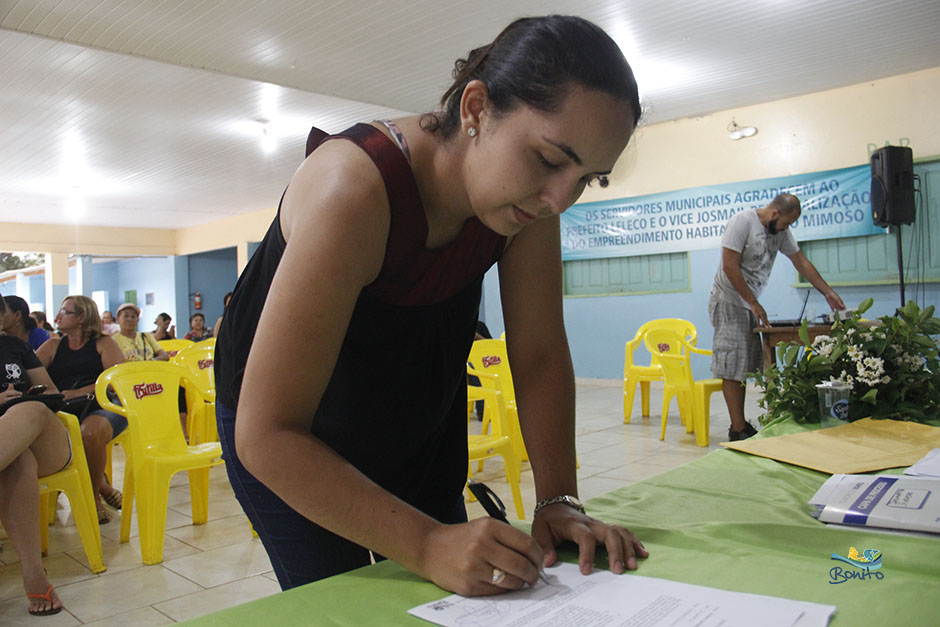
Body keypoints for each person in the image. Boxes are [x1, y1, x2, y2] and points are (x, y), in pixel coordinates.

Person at [216, 15, 647, 596]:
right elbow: (267, 432)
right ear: (475, 109)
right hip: (291, 432)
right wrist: (421, 542)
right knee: (350, 600)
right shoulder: (354, 189)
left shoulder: (529, 206)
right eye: (548, 160)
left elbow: (539, 351)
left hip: (414, 409)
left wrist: (559, 501)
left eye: (587, 180)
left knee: (457, 591)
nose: (558, 199)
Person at [708, 193, 846, 441]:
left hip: (748, 303)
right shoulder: (742, 222)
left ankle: (741, 426)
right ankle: (737, 430)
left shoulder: (779, 232)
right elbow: (729, 266)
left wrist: (828, 292)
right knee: (732, 365)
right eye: (786, 223)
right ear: (775, 214)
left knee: (746, 365)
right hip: (728, 300)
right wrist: (752, 302)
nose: (786, 228)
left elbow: (800, 261)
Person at [0, 295, 70, 615]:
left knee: (29, 408)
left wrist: (22, 397)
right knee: (18, 460)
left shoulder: (16, 347)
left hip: (44, 437)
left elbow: (52, 392)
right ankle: (32, 570)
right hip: (12, 452)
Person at [36, 295, 127, 523]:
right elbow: (30, 370)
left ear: (82, 317)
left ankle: (93, 496)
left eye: (65, 312)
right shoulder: (53, 344)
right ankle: (104, 487)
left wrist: (77, 392)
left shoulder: (104, 343)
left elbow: (115, 381)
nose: (57, 317)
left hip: (104, 405)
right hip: (66, 409)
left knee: (89, 432)